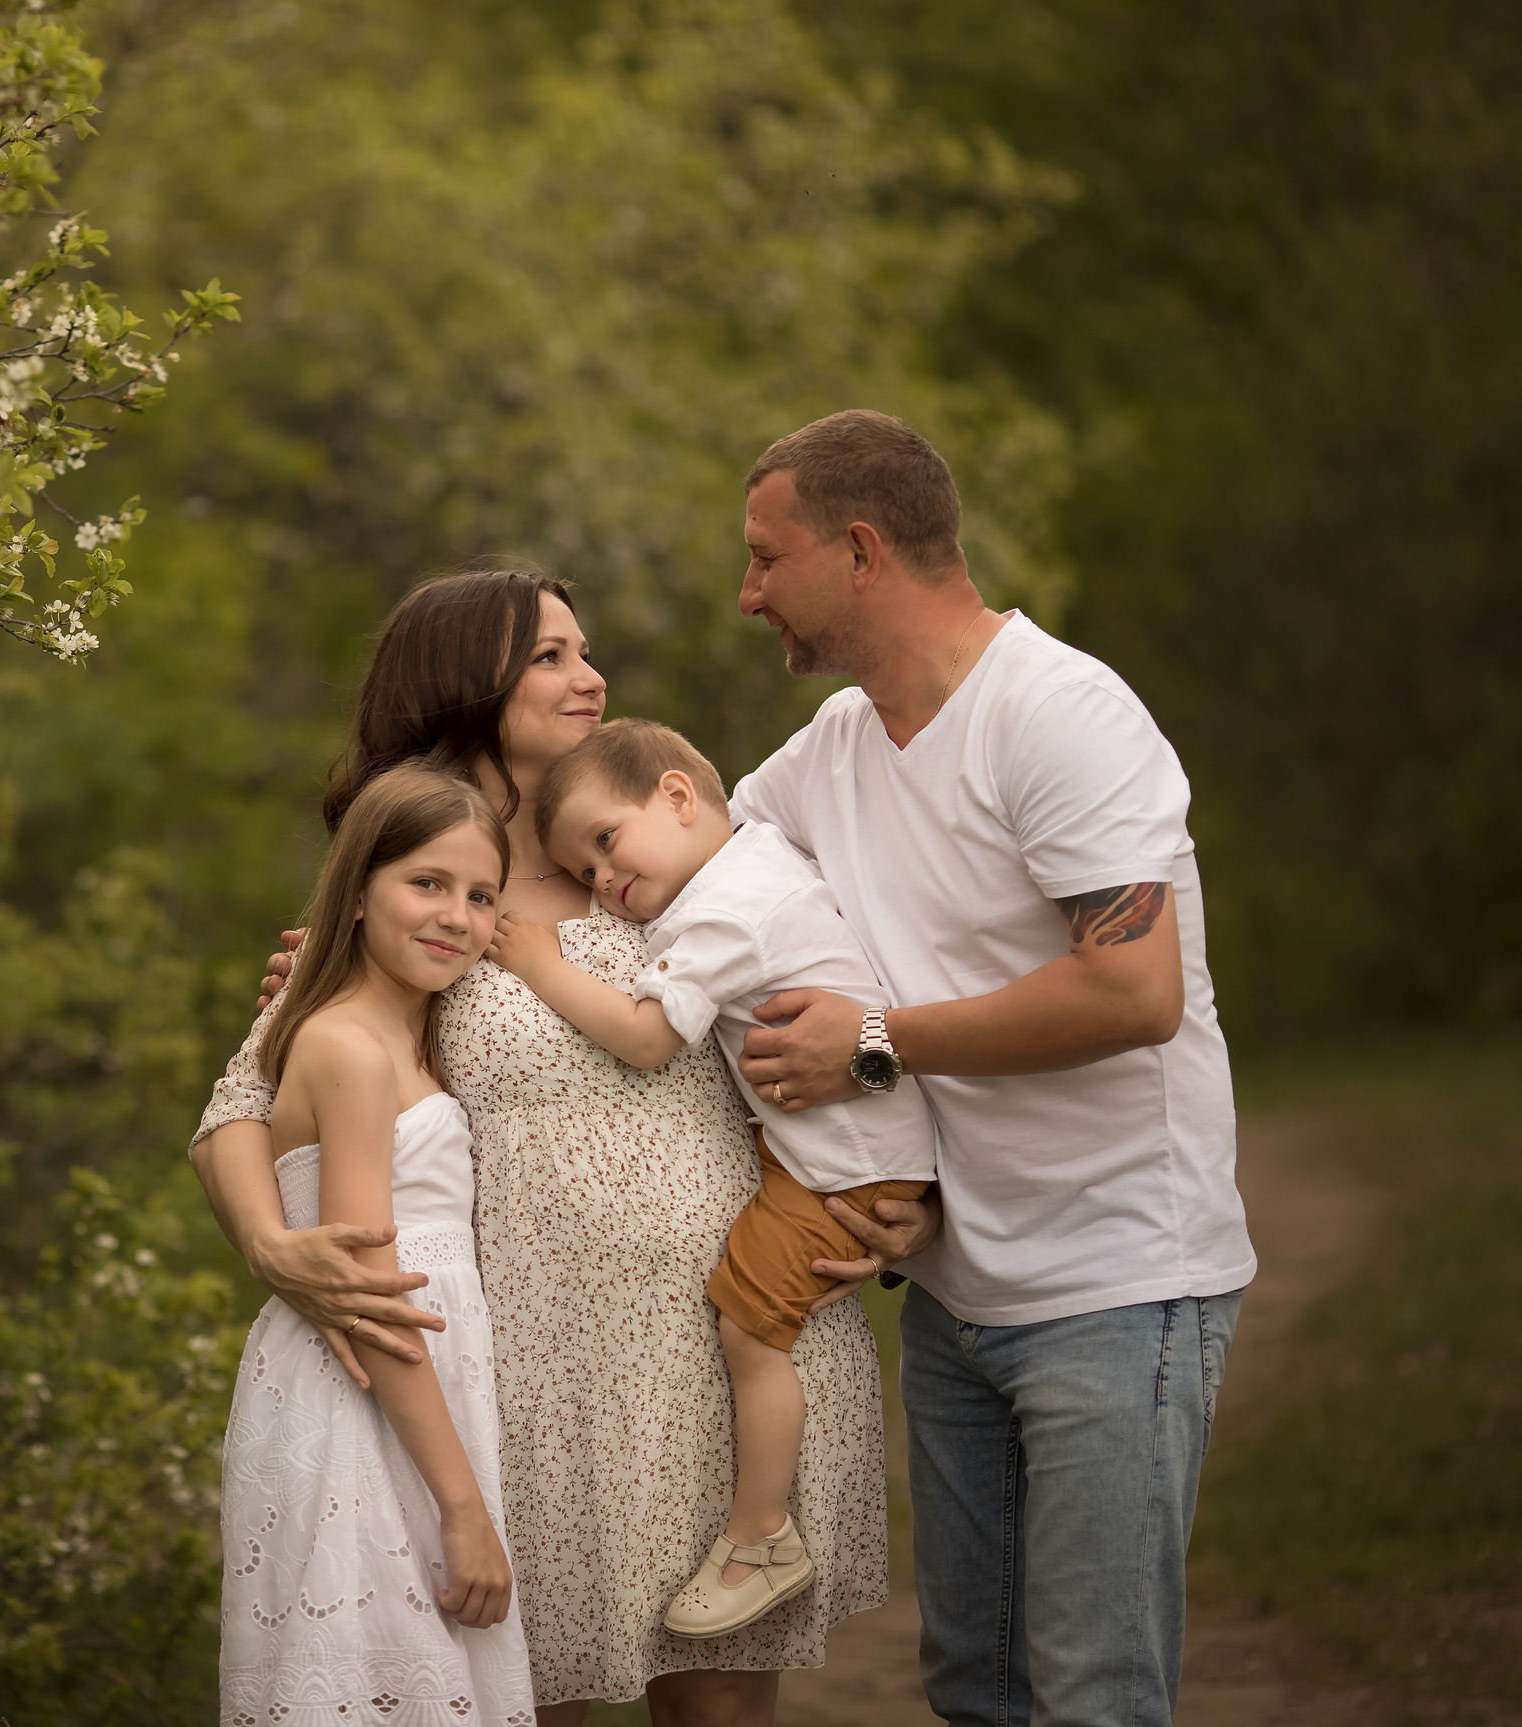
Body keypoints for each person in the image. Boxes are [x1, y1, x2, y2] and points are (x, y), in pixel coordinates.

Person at [192, 568, 911, 1727]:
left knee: (721, 1708)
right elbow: (243, 1099)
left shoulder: (673, 854)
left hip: (732, 1336)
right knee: (528, 1697)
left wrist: (897, 1192)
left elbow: (853, 1014)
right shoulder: (427, 887)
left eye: (585, 651)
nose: (591, 677)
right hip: (526, 1375)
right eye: (550, 656)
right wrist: (273, 1246)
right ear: (464, 681)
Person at [726, 410, 1255, 1727]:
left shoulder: (1060, 713)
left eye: (766, 557)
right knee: (978, 1685)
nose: (747, 593)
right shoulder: (834, 747)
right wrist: (390, 937)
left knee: (1090, 1694)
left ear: (860, 549)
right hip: (953, 1288)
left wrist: (875, 1037)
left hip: (1117, 1278)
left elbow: (1132, 990)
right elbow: (668, 873)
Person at [487, 718, 936, 1641]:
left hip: (842, 1168)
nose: (603, 880)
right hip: (845, 1148)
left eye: (606, 841)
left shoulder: (727, 910)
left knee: (748, 1326)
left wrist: (539, 963)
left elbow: (648, 1038)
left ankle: (761, 1535)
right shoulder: (756, 857)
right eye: (583, 872)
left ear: (678, 796)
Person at [220, 761, 535, 1726]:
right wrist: (463, 1508)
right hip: (365, 1392)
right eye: (426, 882)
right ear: (357, 890)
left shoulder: (408, 1036)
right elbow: (371, 1298)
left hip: (418, 1392)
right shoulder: (351, 1048)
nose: (455, 916)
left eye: (480, 895)